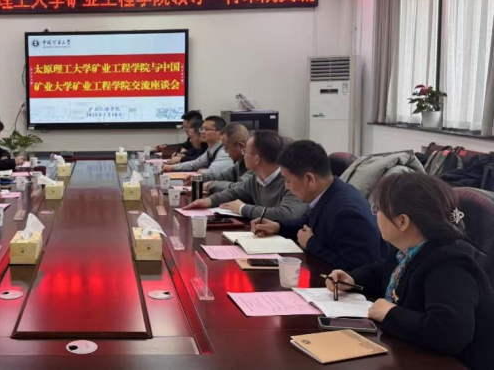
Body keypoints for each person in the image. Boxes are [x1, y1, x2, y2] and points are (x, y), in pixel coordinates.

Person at [326, 173, 494, 370]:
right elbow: (386, 272)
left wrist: (391, 314)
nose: (375, 214)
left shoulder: (450, 264)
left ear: (402, 222)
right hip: (413, 352)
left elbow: (449, 333)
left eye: (378, 209)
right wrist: (353, 278)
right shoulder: (408, 248)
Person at [251, 140, 383, 270]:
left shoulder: (347, 213)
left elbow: (359, 269)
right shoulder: (330, 192)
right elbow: (310, 222)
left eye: (288, 180)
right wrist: (278, 226)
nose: (286, 187)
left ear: (309, 179)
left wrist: (311, 243)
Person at [184, 130, 307, 221]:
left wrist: (243, 208)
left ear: (256, 159)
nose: (243, 155)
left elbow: (287, 214)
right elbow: (234, 193)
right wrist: (208, 201)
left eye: (246, 151)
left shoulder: (291, 180)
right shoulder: (256, 178)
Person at [162, 115, 233, 178]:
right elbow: (195, 164)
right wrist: (171, 167)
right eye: (202, 128)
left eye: (207, 129)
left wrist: (203, 172)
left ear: (220, 132)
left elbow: (212, 173)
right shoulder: (211, 149)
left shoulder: (224, 151)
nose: (202, 132)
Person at [204, 122, 251, 193]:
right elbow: (222, 177)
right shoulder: (240, 162)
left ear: (240, 146)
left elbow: (241, 187)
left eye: (226, 147)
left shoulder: (256, 162)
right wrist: (199, 178)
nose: (225, 152)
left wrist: (211, 185)